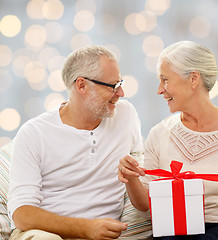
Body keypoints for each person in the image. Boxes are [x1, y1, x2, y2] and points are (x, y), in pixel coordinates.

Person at [118, 41, 218, 240]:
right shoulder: (160, 134)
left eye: (165, 80)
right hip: (176, 230)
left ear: (193, 79)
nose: (159, 90)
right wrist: (131, 179)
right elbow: (145, 207)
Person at [8, 45, 144, 240]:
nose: (121, 92)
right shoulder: (34, 133)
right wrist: (86, 228)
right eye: (113, 85)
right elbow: (22, 214)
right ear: (81, 86)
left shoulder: (125, 115)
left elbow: (142, 171)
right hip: (45, 233)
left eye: (120, 83)